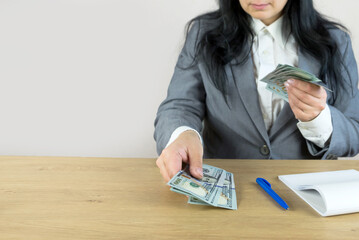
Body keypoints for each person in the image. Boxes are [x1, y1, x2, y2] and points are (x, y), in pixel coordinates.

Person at [154, 0, 359, 182]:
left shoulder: (335, 40)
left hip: (308, 189)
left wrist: (319, 119)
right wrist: (183, 135)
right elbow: (179, 105)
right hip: (227, 181)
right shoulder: (202, 32)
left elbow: (354, 132)